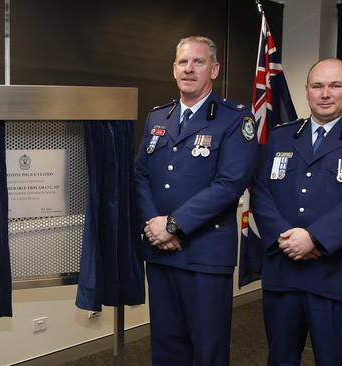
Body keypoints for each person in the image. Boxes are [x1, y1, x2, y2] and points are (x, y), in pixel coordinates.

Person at [134, 36, 259, 366]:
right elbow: (141, 176)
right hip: (160, 252)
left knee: (207, 348)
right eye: (183, 62)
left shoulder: (235, 119)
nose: (189, 69)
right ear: (174, 69)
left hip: (205, 254)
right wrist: (154, 227)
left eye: (198, 62)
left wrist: (174, 225)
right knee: (166, 345)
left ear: (214, 69)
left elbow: (229, 184)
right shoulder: (158, 118)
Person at [251, 58, 342, 365]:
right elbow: (259, 188)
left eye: (335, 86)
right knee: (280, 358)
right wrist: (286, 238)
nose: (325, 94)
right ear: (307, 91)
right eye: (317, 86)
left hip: (336, 276)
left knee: (336, 359)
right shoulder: (281, 136)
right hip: (284, 273)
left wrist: (316, 238)